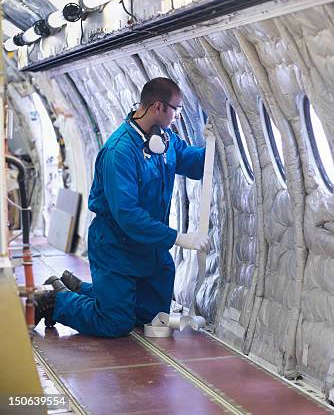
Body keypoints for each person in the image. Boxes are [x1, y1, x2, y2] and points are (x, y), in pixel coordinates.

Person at [33, 77, 209, 337]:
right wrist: (179, 238)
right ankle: (54, 301)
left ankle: (80, 288)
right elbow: (127, 215)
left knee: (151, 318)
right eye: (176, 110)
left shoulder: (165, 140)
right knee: (115, 323)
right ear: (158, 107)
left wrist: (217, 144)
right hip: (116, 247)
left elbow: (189, 162)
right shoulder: (120, 152)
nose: (178, 117)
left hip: (150, 250)